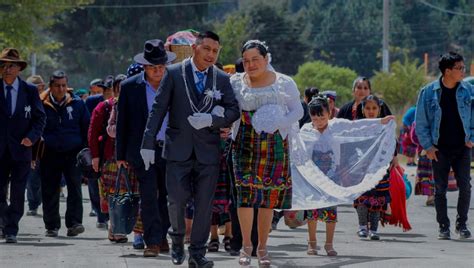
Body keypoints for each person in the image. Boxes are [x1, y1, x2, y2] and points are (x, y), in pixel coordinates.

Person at [141, 32, 239, 267]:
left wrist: (213, 120)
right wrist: (147, 143)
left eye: (215, 51)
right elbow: (158, 109)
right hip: (178, 149)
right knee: (175, 199)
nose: (211, 55)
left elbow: (233, 110)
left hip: (208, 152)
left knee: (205, 205)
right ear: (195, 48)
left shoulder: (221, 78)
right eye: (206, 49)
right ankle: (176, 239)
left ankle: (197, 253)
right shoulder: (174, 73)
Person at [230, 40, 304, 266]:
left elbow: (299, 110)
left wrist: (280, 120)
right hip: (243, 141)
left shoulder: (283, 82)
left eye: (256, 59)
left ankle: (262, 248)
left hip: (274, 143)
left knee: (266, 199)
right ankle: (245, 246)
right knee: (244, 197)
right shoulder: (235, 82)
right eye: (246, 60)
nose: (251, 64)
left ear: (266, 59)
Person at [116, 39, 177, 258]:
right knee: (149, 195)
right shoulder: (130, 87)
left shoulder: (175, 83)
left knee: (169, 196)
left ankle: (161, 236)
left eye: (161, 66)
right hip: (142, 151)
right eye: (153, 67)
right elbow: (122, 122)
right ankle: (151, 241)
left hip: (170, 150)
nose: (158, 71)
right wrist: (120, 154)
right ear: (144, 67)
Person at [415, 51, 473, 240]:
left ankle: (462, 224)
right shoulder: (428, 92)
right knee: (440, 189)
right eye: (459, 68)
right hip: (439, 149)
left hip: (463, 147)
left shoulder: (468, 91)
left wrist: (472, 136)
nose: (463, 71)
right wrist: (428, 147)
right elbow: (421, 123)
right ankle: (443, 226)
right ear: (447, 71)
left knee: (465, 186)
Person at [0, 48, 46, 243]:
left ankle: (12, 228)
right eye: (3, 65)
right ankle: (4, 220)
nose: (7, 69)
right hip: (0, 150)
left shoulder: (29, 91)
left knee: (19, 190)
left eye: (11, 65)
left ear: (19, 68)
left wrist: (31, 137)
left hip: (21, 150)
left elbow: (40, 118)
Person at [40, 70, 89, 237]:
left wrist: (85, 150)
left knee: (75, 188)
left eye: (63, 85)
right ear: (51, 87)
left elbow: (86, 128)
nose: (61, 89)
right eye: (57, 86)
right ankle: (52, 225)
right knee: (49, 189)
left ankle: (74, 223)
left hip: (72, 153)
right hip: (49, 153)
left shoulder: (77, 103)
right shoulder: (41, 103)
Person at [353, 95, 394, 240]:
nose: (371, 111)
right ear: (363, 110)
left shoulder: (385, 127)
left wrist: (392, 158)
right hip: (361, 170)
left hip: (379, 171)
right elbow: (351, 145)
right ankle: (362, 227)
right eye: (368, 108)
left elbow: (391, 146)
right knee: (362, 198)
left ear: (379, 109)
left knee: (377, 200)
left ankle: (374, 230)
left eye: (374, 108)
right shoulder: (358, 126)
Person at [25, 75, 46, 216]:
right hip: (31, 144)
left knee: (47, 177)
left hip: (47, 145)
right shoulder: (24, 102)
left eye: (39, 87)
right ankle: (33, 204)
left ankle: (45, 202)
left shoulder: (48, 101)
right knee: (32, 177)